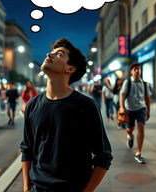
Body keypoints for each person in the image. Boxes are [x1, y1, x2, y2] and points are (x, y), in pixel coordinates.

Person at [20, 38, 112, 192]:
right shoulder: (32, 105)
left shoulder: (86, 106)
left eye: (59, 54)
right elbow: (27, 149)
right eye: (52, 52)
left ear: (70, 68)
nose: (49, 55)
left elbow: (103, 157)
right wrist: (26, 187)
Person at [119, 63, 151, 164]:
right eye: (135, 69)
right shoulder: (127, 82)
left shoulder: (145, 83)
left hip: (141, 108)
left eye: (139, 69)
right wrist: (121, 107)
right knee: (129, 129)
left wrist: (148, 111)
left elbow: (147, 98)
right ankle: (130, 136)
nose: (137, 71)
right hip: (129, 109)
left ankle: (139, 153)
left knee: (141, 126)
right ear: (131, 71)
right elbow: (122, 94)